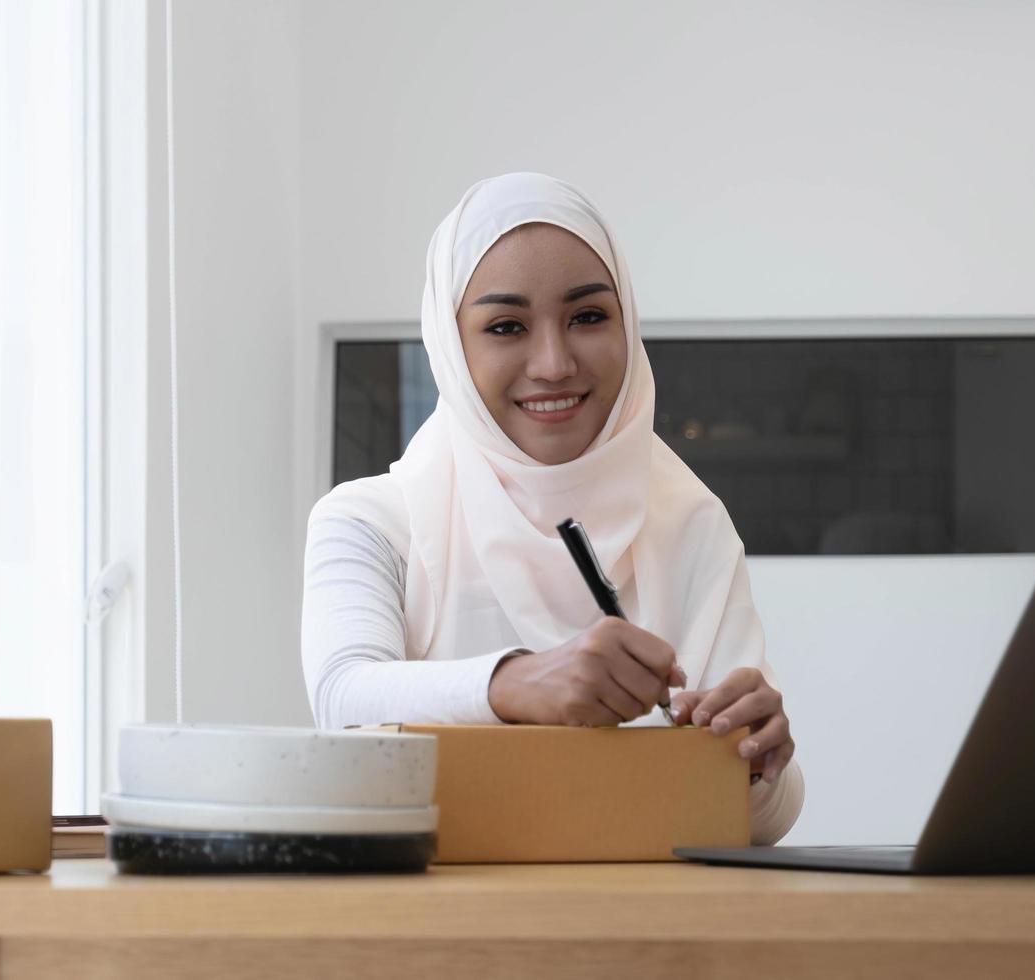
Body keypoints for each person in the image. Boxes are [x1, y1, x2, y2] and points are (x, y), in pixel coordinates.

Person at [302, 173, 803, 843]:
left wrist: (755, 758)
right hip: (430, 928)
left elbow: (759, 826)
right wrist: (517, 683)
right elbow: (342, 702)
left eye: (588, 317)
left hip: (644, 929)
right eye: (505, 326)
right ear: (452, 349)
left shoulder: (689, 522)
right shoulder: (370, 522)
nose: (553, 363)